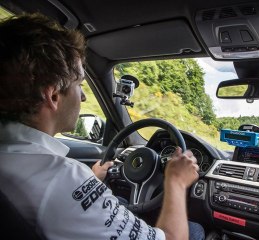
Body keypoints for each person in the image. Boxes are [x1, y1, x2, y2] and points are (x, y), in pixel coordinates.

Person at [0, 13, 204, 240]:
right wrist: (175, 181)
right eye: (80, 85)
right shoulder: (64, 178)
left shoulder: (20, 162)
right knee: (195, 230)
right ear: (54, 95)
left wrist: (91, 179)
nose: (84, 97)